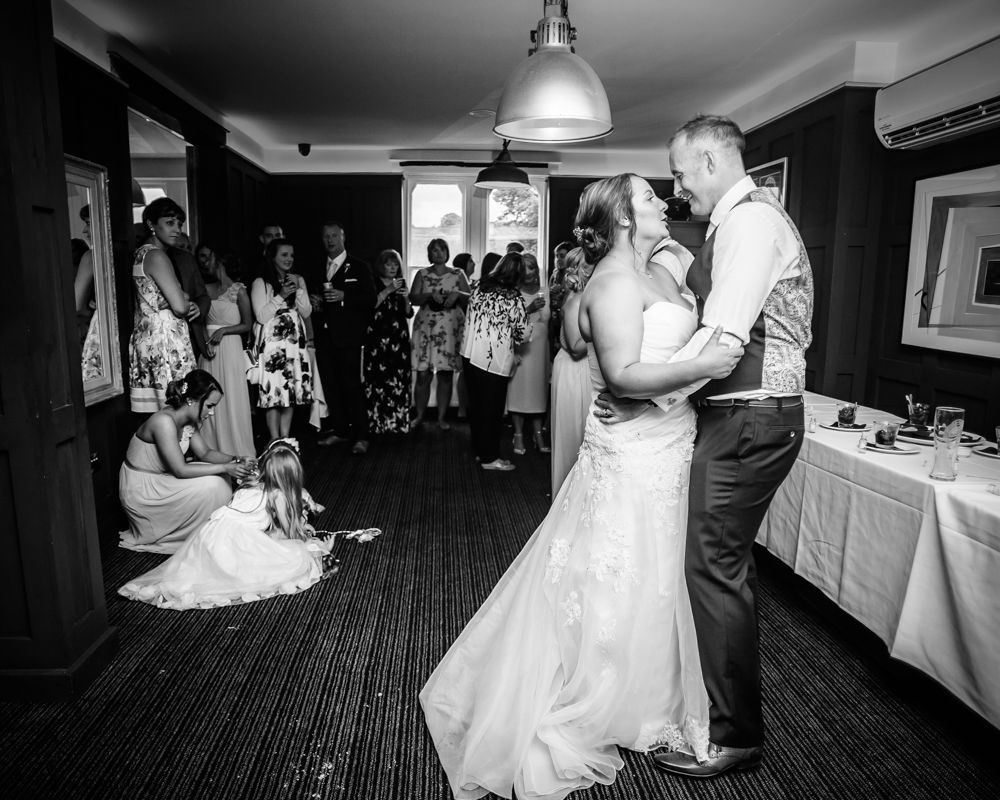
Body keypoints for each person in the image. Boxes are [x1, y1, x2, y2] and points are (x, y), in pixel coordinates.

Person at [420, 173, 743, 798]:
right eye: (649, 197)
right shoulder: (616, 282)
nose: (662, 202)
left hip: (669, 439)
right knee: (620, 565)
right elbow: (622, 373)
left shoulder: (661, 273)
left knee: (659, 564)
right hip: (634, 448)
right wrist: (702, 369)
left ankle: (651, 685)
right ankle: (605, 691)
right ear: (623, 216)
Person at [633, 115, 813, 779]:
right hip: (743, 415)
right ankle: (723, 714)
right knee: (721, 567)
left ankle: (735, 737)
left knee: (711, 568)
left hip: (748, 417)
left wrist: (646, 400)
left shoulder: (748, 223)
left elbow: (726, 342)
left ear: (710, 162)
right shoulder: (741, 220)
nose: (679, 187)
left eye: (681, 173)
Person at [118, 438, 336, 610]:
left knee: (196, 574)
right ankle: (318, 556)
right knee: (288, 557)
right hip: (234, 543)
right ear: (291, 478)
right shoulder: (277, 495)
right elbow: (290, 532)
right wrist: (310, 543)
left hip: (206, 537)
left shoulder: (249, 486)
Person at [119, 369, 254, 553]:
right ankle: (192, 534)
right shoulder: (164, 422)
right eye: (209, 406)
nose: (212, 412)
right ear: (192, 400)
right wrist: (225, 467)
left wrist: (236, 459)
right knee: (215, 483)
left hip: (162, 477)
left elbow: (205, 453)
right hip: (142, 488)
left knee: (220, 478)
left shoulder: (190, 418)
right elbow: (180, 470)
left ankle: (206, 532)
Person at [309, 221, 376, 454]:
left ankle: (361, 436)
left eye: (334, 236)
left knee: (352, 386)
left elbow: (370, 299)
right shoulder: (317, 266)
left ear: (343, 237)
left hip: (349, 338)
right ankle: (340, 431)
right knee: (331, 386)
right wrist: (315, 303)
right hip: (324, 337)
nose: (330, 240)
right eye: (326, 236)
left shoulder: (358, 266)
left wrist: (344, 295)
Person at [458, 253, 528, 471]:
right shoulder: (513, 298)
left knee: (477, 407)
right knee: (492, 410)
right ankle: (490, 458)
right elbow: (522, 334)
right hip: (493, 361)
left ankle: (480, 452)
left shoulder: (479, 288)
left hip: (470, 355)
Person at [128, 197, 200, 412]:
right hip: (165, 338)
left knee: (160, 411)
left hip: (147, 335)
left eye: (179, 223)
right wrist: (186, 302)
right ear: (151, 224)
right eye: (170, 223)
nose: (177, 229)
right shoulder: (156, 255)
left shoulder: (141, 254)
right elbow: (179, 306)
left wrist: (183, 298)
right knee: (179, 409)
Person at [250, 238, 314, 443]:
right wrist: (281, 295)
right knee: (273, 392)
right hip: (272, 345)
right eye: (284, 255)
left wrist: (300, 288)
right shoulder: (261, 283)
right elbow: (261, 316)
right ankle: (274, 438)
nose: (289, 259)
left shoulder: (298, 279)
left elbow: (306, 311)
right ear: (273, 257)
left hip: (294, 344)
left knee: (291, 390)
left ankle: (285, 437)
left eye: (292, 255)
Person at [196, 242, 255, 458]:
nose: (205, 262)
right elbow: (200, 322)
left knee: (231, 397)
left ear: (219, 261)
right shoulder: (205, 289)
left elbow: (248, 325)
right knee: (207, 396)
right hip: (209, 351)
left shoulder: (239, 290)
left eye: (209, 258)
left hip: (229, 349)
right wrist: (204, 343)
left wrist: (224, 331)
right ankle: (210, 450)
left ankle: (237, 451)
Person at [409, 238, 470, 430]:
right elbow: (413, 298)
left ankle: (442, 418)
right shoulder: (422, 274)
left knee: (445, 374)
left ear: (447, 252)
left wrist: (457, 294)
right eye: (434, 250)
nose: (438, 253)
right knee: (423, 374)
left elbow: (470, 298)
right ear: (429, 254)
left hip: (450, 329)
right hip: (426, 327)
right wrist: (428, 295)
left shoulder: (458, 273)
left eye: (442, 250)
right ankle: (419, 416)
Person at [549, 247, 593, 495]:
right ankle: (567, 503)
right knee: (575, 437)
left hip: (584, 369)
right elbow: (576, 347)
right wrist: (608, 333)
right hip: (574, 370)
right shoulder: (576, 300)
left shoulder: (587, 296)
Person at [364, 249, 413, 435]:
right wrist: (389, 289)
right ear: (381, 266)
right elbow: (371, 305)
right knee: (377, 380)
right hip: (377, 338)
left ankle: (397, 423)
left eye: (396, 264)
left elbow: (408, 312)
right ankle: (378, 423)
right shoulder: (373, 282)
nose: (393, 268)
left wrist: (406, 296)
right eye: (389, 264)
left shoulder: (402, 283)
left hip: (398, 339)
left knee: (398, 379)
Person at [506, 252, 550, 454]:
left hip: (541, 348)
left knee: (538, 390)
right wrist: (530, 307)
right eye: (524, 268)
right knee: (519, 390)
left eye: (532, 267)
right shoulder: (513, 292)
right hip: (522, 346)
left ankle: (538, 433)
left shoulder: (545, 291)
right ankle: (518, 434)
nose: (529, 272)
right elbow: (510, 322)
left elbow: (548, 320)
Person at [452, 253, 477, 419]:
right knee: (463, 370)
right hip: (461, 328)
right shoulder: (457, 281)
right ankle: (462, 408)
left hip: (474, 329)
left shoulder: (474, 283)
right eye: (471, 261)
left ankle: (471, 406)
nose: (474, 264)